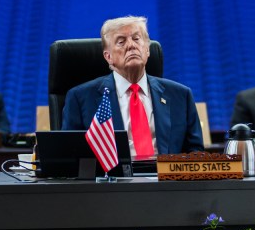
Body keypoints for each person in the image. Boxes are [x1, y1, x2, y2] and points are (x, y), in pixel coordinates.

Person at [62, 16, 203, 158]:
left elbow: (195, 154)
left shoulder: (180, 95)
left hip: (166, 178)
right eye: (121, 41)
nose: (131, 45)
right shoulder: (81, 98)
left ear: (147, 50)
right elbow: (69, 156)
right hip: (112, 178)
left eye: (136, 39)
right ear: (108, 56)